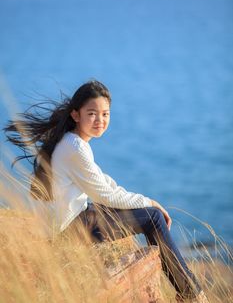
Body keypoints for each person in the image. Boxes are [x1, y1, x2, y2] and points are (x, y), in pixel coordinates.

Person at [4, 80, 209, 303]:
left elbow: (104, 182)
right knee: (154, 218)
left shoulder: (74, 142)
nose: (100, 120)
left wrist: (143, 201)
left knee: (147, 213)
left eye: (105, 114)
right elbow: (105, 195)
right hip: (70, 229)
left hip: (75, 220)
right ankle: (192, 294)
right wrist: (150, 202)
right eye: (92, 113)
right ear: (75, 115)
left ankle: (187, 291)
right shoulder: (74, 147)